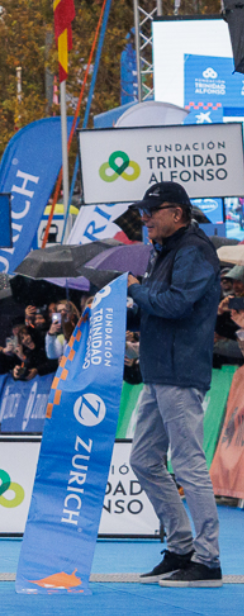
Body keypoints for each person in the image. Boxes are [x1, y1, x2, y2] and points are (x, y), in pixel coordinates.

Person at [125, 182, 222, 587]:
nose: (144, 218)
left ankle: (209, 559)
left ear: (177, 213)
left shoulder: (194, 251)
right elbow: (158, 309)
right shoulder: (164, 251)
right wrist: (122, 311)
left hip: (180, 371)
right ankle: (181, 546)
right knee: (143, 460)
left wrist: (133, 291)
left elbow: (177, 305)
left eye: (152, 211)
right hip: (158, 369)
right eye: (143, 212)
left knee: (188, 465)